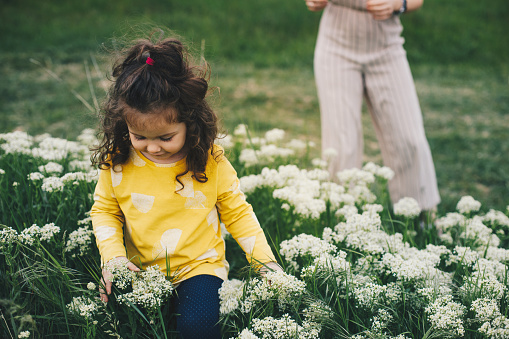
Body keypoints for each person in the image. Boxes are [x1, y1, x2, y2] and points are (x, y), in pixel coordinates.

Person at [90, 35, 281, 338]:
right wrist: (113, 258)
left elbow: (238, 213)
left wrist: (265, 264)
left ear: (190, 122)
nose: (152, 148)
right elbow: (104, 211)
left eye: (165, 138)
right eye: (139, 136)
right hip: (137, 269)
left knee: (197, 326)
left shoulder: (209, 159)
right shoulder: (118, 160)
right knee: (120, 325)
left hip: (198, 266)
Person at [305, 0, 440, 213]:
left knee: (409, 141)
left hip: (387, 49)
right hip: (336, 48)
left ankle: (420, 222)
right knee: (341, 147)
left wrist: (398, 4)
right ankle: (341, 222)